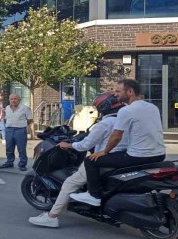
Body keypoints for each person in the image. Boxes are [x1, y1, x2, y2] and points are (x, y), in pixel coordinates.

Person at [29, 92, 128, 228]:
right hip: (122, 158)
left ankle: (52, 217)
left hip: (101, 159)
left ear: (103, 107)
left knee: (69, 183)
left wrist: (68, 145)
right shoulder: (126, 120)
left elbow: (85, 145)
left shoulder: (105, 123)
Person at [71, 79, 166, 207]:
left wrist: (104, 152)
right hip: (160, 155)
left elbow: (116, 137)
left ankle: (93, 195)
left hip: (138, 156)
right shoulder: (152, 107)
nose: (115, 95)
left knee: (91, 161)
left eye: (118, 91)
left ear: (130, 91)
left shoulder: (126, 110)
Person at [0, 93, 33, 171]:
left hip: (20, 130)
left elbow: (30, 119)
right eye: (11, 99)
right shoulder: (7, 108)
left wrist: (23, 125)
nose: (13, 100)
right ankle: (9, 162)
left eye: (15, 99)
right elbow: (5, 118)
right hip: (9, 129)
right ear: (9, 100)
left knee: (21, 148)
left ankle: (22, 164)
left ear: (19, 100)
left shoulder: (25, 108)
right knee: (9, 147)